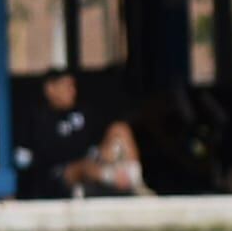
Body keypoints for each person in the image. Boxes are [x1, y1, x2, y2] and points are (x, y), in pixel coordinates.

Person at [12, 69, 147, 200]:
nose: (72, 91)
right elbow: (27, 160)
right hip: (60, 174)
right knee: (84, 167)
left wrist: (104, 152)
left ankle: (136, 181)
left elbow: (98, 141)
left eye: (73, 86)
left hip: (92, 162)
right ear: (50, 89)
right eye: (66, 86)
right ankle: (116, 179)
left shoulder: (83, 111)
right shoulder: (37, 118)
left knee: (120, 128)